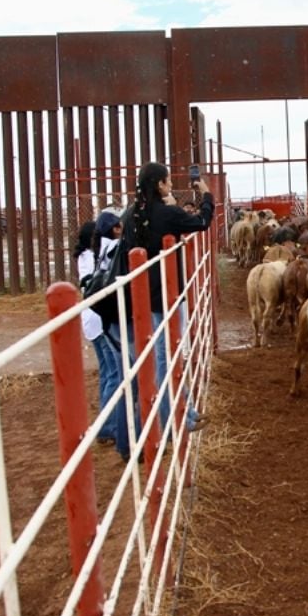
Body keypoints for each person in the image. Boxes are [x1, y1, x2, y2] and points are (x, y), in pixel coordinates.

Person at [113, 162, 214, 458]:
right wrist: (206, 193)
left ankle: (182, 411)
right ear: (159, 184)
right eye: (168, 180)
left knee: (162, 357)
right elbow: (202, 222)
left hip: (143, 297)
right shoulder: (165, 214)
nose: (171, 184)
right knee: (166, 359)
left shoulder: (132, 215)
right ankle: (173, 419)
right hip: (167, 296)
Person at [75, 211, 129, 451]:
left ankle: (107, 426)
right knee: (115, 374)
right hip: (99, 320)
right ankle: (109, 427)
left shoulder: (90, 255)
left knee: (109, 373)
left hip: (93, 320)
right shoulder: (94, 255)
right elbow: (89, 284)